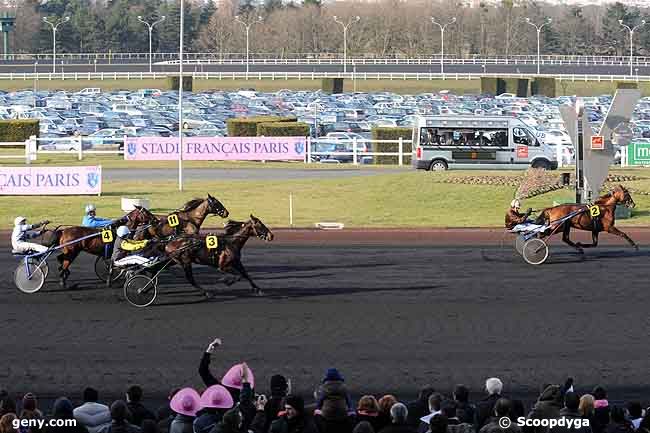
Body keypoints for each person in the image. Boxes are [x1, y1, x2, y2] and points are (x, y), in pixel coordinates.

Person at [198, 339, 255, 431]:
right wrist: (246, 382)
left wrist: (209, 350)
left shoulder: (220, 390)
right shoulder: (247, 405)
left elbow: (203, 371)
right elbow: (246, 398)